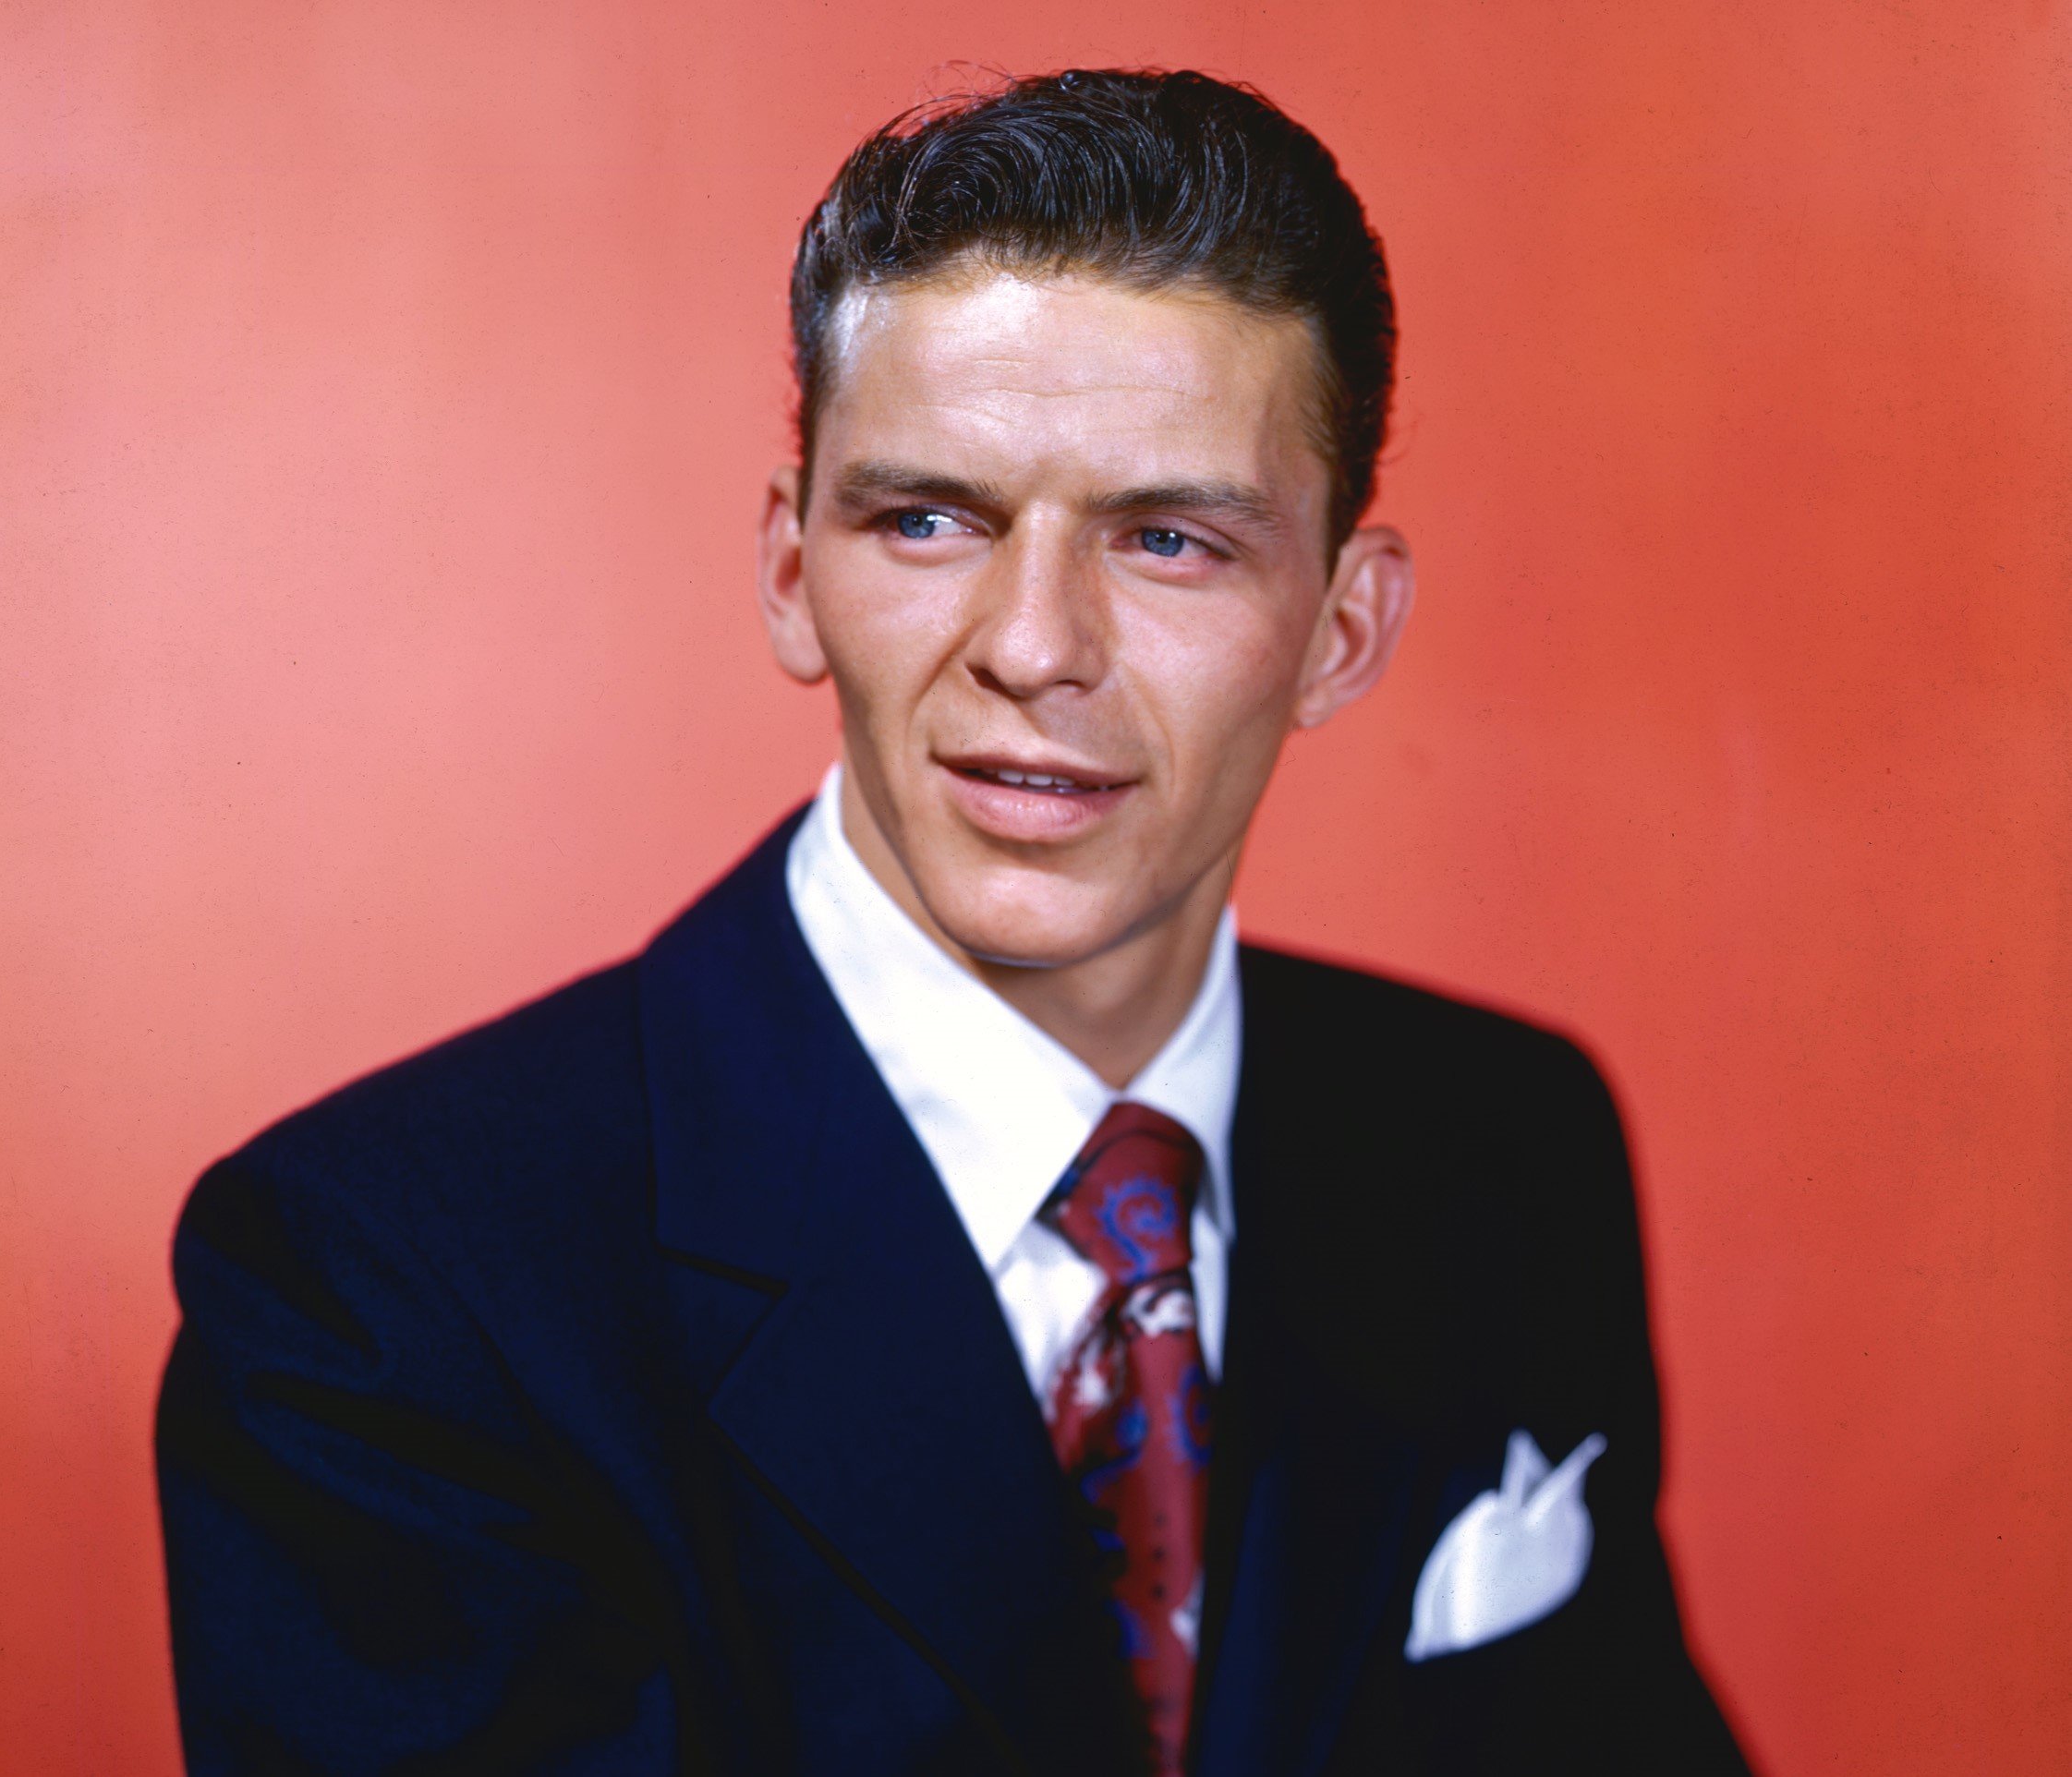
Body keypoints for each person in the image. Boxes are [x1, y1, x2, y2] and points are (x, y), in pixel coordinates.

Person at [155, 68, 1750, 1776]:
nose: (1033, 645)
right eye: (929, 519)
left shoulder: (1506, 1146)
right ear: (790, 575)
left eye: (1172, 541)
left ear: (1346, 631)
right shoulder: (381, 1291)